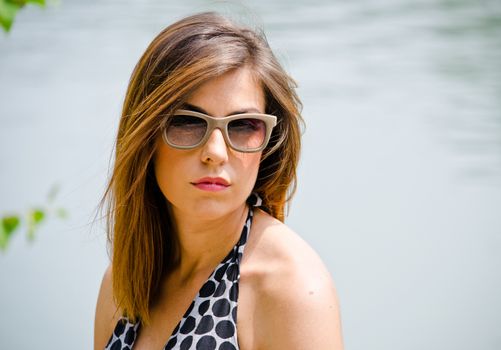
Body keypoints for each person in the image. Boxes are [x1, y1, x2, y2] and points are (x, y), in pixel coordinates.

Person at [94, 11, 343, 350]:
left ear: (268, 143)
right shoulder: (123, 284)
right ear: (145, 137)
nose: (215, 152)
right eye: (187, 122)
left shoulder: (290, 287)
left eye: (243, 126)